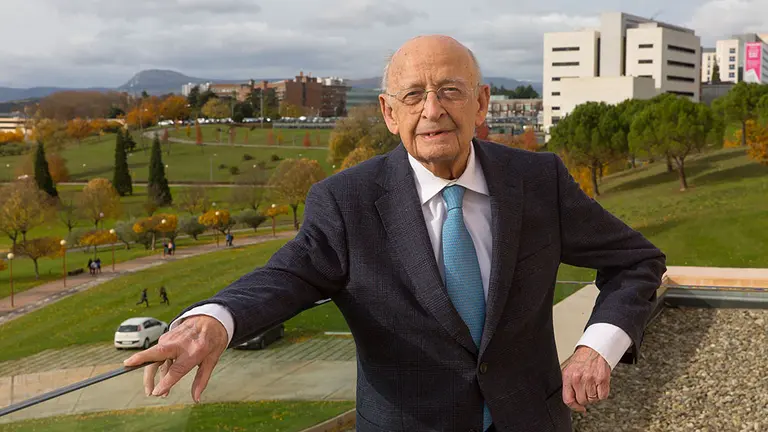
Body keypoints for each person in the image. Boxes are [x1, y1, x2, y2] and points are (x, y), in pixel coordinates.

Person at [126, 35, 665, 432]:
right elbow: (286, 276)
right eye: (413, 96)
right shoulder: (346, 202)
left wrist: (597, 347)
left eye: (450, 91)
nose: (432, 111)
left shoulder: (537, 180)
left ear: (481, 104)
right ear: (388, 112)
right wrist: (215, 321)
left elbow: (636, 261)